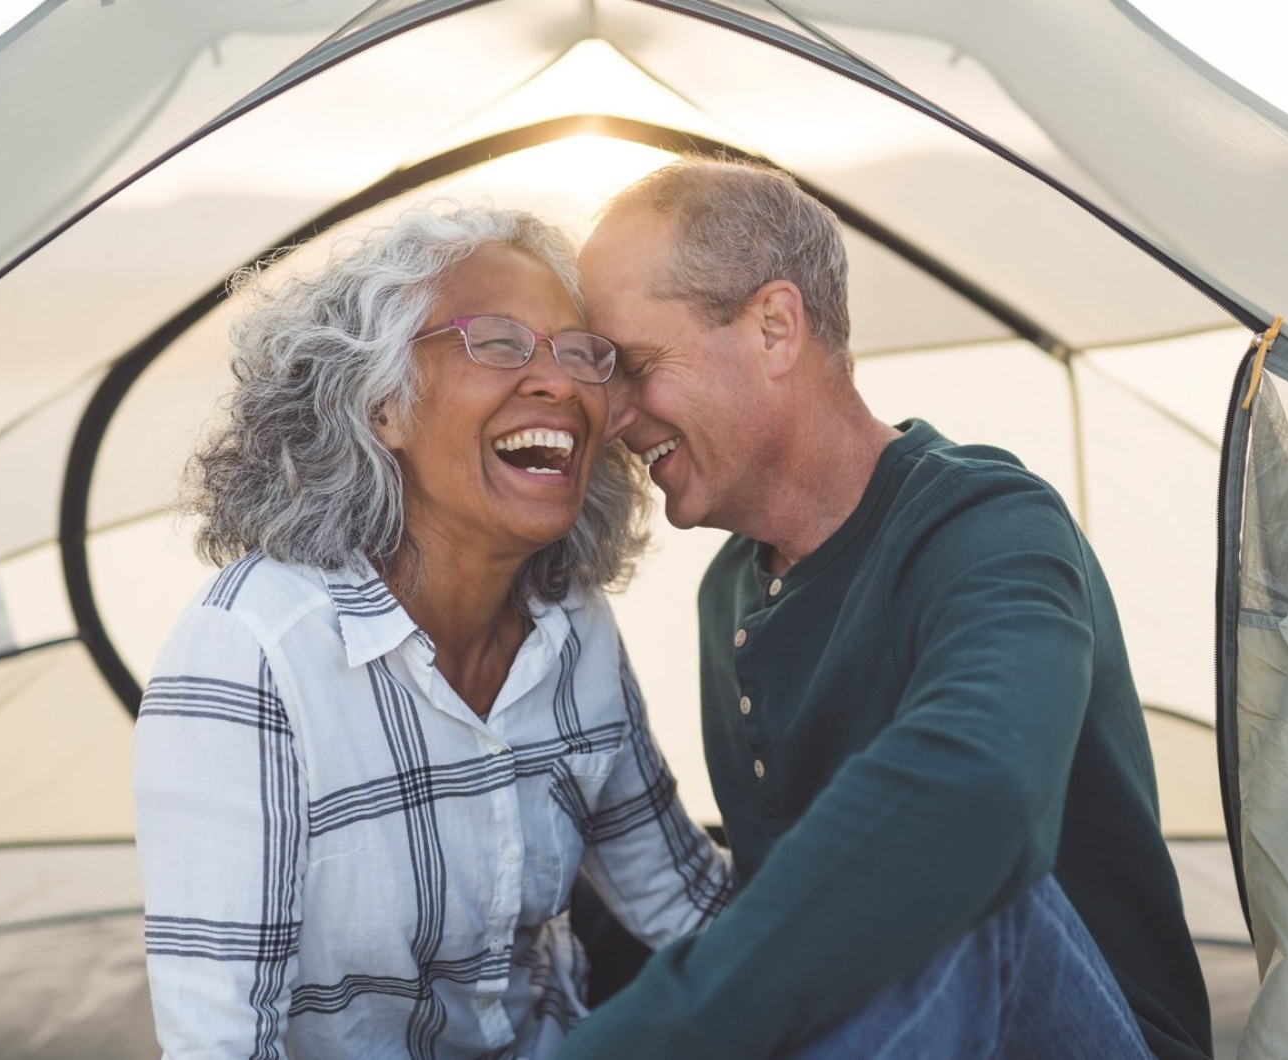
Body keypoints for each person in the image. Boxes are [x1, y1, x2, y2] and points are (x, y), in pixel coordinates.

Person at [559, 159, 1214, 1059]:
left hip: (1073, 1029)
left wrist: (642, 1038)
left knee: (958, 884)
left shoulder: (986, 525)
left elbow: (981, 791)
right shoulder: (730, 596)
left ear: (776, 327)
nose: (616, 416)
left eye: (634, 365)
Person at [131, 204, 730, 1060]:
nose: (558, 381)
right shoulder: (253, 650)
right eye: (496, 341)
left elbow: (690, 911)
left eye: (579, 351)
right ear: (383, 406)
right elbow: (222, 1044)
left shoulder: (572, 626)